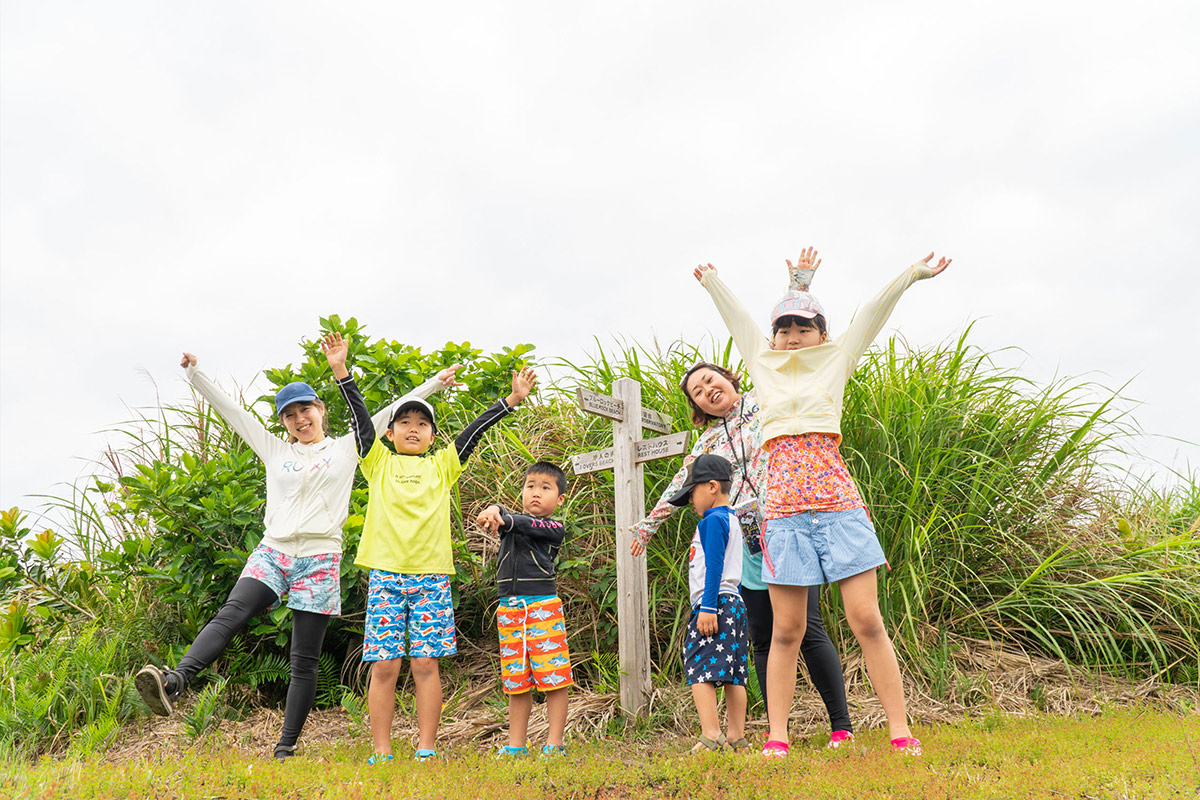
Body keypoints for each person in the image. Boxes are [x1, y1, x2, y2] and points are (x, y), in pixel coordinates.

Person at [134, 334, 461, 760]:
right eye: (289, 415)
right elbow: (233, 413)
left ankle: (286, 746)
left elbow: (388, 413)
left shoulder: (347, 449)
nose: (299, 419)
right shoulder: (274, 451)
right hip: (274, 551)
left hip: (321, 559)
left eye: (305, 409)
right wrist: (196, 375)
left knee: (303, 658)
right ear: (283, 423)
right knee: (233, 612)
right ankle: (175, 681)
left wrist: (435, 382)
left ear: (320, 410)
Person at [696, 247, 953, 757]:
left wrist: (911, 275)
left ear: (821, 334)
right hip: (784, 513)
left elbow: (868, 316)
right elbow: (741, 320)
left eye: (803, 328)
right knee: (787, 629)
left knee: (867, 620)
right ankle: (777, 736)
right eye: (783, 330)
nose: (792, 337)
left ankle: (900, 730)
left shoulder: (836, 360)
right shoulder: (762, 363)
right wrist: (714, 284)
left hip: (838, 504)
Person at [630, 359, 854, 748]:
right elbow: (681, 484)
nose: (707, 390)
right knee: (764, 637)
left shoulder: (765, 403)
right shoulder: (706, 443)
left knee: (809, 628)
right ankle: (776, 731)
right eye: (697, 393)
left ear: (727, 377)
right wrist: (649, 525)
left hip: (787, 529)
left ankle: (841, 725)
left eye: (709, 380)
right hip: (745, 543)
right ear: (698, 407)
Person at [358, 367, 537, 764]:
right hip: (386, 575)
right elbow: (359, 422)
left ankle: (426, 747)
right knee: (384, 666)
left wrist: (511, 401)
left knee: (425, 662)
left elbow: (473, 433)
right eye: (404, 422)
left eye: (422, 424)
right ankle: (382, 751)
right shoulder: (378, 463)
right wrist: (342, 374)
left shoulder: (442, 466)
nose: (413, 429)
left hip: (431, 576)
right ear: (390, 433)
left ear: (432, 436)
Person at [475, 461, 573, 758]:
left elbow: (525, 524)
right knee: (516, 681)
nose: (535, 493)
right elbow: (510, 521)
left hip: (543, 608)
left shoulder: (553, 527)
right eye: (530, 486)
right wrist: (495, 511)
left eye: (545, 488)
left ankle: (554, 743)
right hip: (510, 610)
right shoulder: (510, 525)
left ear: (559, 499)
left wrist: (499, 511)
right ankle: (515, 745)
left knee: (555, 678)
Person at [669, 454, 748, 753]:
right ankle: (736, 737)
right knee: (735, 672)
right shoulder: (732, 518)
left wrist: (708, 606)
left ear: (712, 486)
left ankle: (712, 735)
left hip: (714, 603)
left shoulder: (712, 521)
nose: (690, 500)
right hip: (735, 603)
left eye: (692, 492)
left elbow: (714, 565)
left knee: (699, 666)